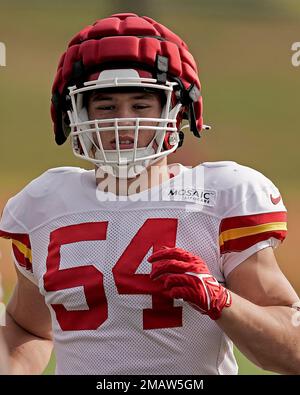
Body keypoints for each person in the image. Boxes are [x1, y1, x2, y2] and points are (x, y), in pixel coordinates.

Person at [0, 12, 300, 375]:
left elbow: (293, 352)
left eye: (141, 105)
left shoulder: (223, 197)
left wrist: (222, 302)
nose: (123, 121)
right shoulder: (44, 205)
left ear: (176, 110)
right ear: (74, 113)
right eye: (105, 106)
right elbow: (26, 328)